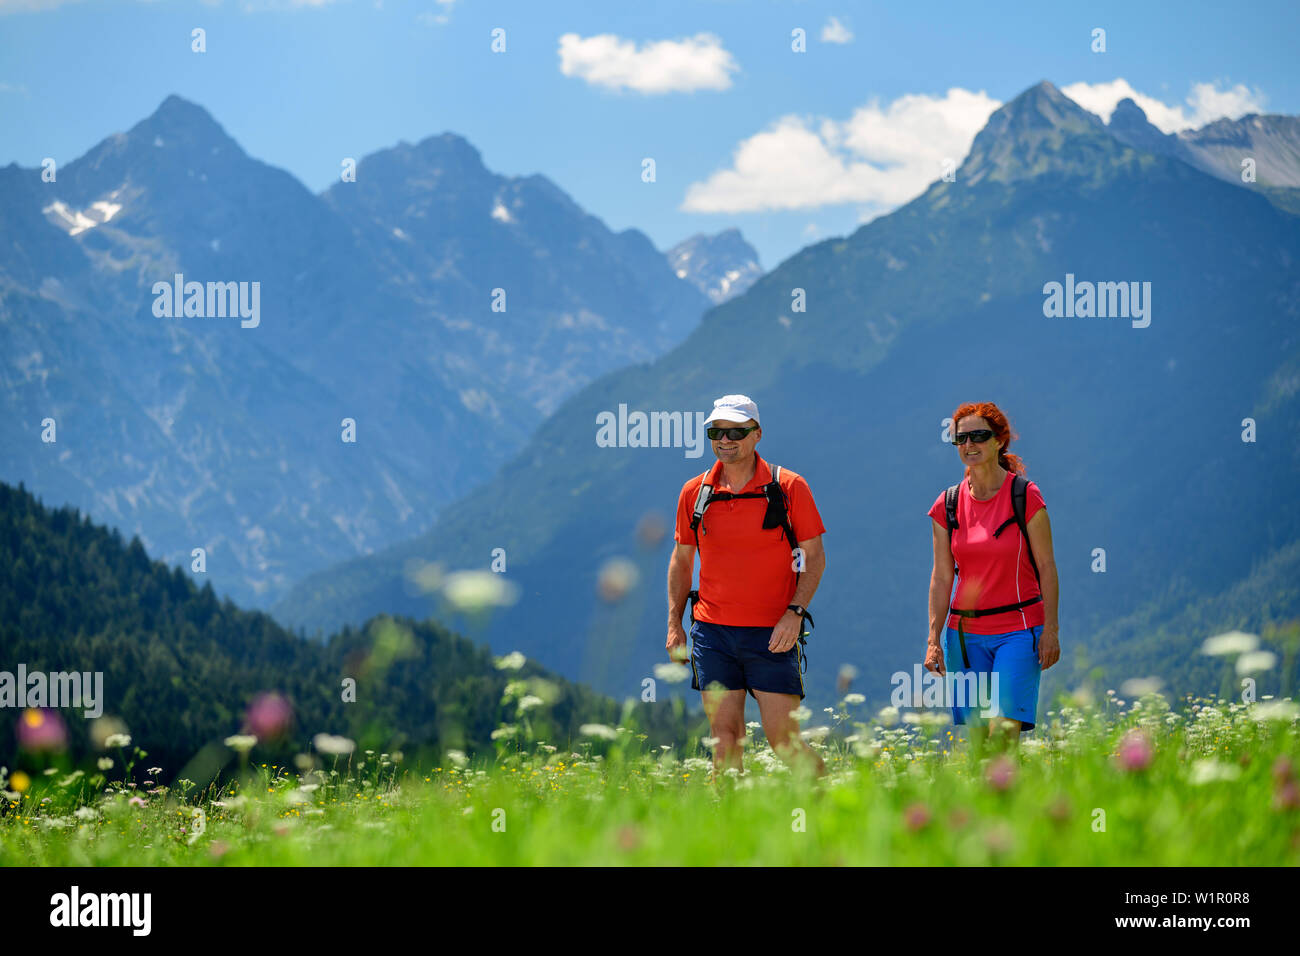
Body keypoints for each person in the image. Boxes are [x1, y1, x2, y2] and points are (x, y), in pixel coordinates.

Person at [666, 394, 827, 775]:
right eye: (716, 431)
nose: (725, 439)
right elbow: (681, 560)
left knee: (783, 741)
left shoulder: (788, 487)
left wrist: (795, 614)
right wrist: (675, 624)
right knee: (724, 739)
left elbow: (813, 557)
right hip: (712, 632)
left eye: (736, 431)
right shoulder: (695, 492)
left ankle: (831, 812)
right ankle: (729, 827)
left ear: (757, 434)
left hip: (773, 632)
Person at [924, 402, 1060, 748]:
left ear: (1000, 440)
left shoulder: (1025, 496)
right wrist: (933, 640)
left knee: (1002, 734)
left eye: (979, 436)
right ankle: (990, 802)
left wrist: (1051, 630)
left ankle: (1005, 798)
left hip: (1019, 629)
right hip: (965, 637)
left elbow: (1046, 566)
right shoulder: (948, 504)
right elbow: (941, 577)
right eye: (960, 439)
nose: (969, 445)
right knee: (980, 741)